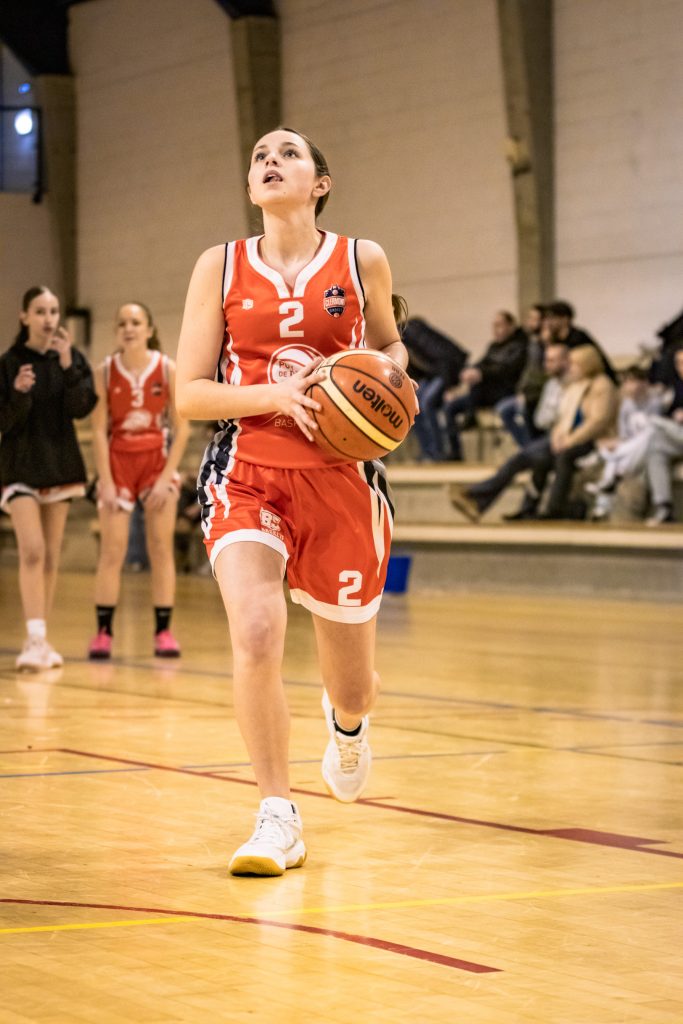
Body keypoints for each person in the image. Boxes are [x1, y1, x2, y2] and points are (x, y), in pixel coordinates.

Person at [175, 126, 409, 877]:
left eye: (288, 154)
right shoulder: (218, 266)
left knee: (354, 685)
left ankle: (347, 723)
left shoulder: (361, 258)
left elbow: (392, 347)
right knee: (255, 629)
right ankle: (277, 813)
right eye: (259, 157)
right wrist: (273, 396)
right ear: (251, 188)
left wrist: (384, 375)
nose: (270, 162)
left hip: (341, 479)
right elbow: (189, 394)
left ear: (320, 183)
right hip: (247, 469)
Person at [0, 286, 97, 670]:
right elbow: (4, 422)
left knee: (51, 556)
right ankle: (35, 639)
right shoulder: (9, 363)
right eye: (40, 311)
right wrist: (19, 394)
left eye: (53, 311)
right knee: (33, 550)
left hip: (60, 464)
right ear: (24, 316)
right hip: (20, 466)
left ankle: (40, 639)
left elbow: (81, 408)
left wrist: (69, 364)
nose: (48, 318)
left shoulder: (70, 359)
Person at [88, 302, 189, 659]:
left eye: (135, 322)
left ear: (149, 329)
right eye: (122, 323)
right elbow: (98, 430)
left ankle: (164, 632)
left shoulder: (167, 368)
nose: (128, 328)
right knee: (112, 551)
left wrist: (165, 479)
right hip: (118, 463)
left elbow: (183, 428)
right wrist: (106, 481)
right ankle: (103, 633)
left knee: (160, 549)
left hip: (156, 463)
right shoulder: (104, 371)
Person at [451, 345, 617, 521]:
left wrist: (569, 440)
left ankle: (552, 509)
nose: (570, 368)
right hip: (565, 439)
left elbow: (598, 421)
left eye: (574, 364)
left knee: (544, 458)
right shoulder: (575, 386)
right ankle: (485, 501)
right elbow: (563, 418)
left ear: (587, 364)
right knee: (523, 458)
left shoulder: (602, 385)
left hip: (590, 441)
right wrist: (557, 437)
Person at [442, 311, 528, 460]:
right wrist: (469, 372)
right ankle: (455, 452)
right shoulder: (494, 346)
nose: (496, 330)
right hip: (482, 395)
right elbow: (480, 364)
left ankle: (471, 415)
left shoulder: (519, 346)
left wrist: (480, 374)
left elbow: (506, 370)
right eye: (494, 326)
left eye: (500, 325)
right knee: (450, 406)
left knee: (478, 384)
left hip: (504, 391)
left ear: (511, 326)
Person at [586, 366, 664, 521]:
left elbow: (656, 433)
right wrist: (614, 443)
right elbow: (624, 436)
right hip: (630, 452)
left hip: (651, 449)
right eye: (626, 382)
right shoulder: (626, 405)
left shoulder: (656, 403)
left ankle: (604, 463)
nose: (629, 386)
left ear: (644, 383)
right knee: (614, 456)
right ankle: (602, 506)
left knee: (649, 433)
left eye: (633, 381)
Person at [401, 317, 468, 461]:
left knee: (426, 403)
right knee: (413, 404)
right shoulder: (405, 336)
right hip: (435, 374)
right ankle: (429, 451)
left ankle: (437, 451)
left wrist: (449, 387)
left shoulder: (412, 331)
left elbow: (443, 357)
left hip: (447, 370)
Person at [496, 304, 548, 448]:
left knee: (525, 409)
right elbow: (528, 372)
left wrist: (526, 394)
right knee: (504, 409)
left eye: (533, 318)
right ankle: (527, 448)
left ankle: (534, 450)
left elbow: (543, 375)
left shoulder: (546, 344)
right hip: (527, 392)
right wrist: (521, 391)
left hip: (540, 393)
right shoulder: (531, 342)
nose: (529, 322)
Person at [644, 345, 683, 525]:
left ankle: (619, 465)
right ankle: (664, 506)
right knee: (655, 446)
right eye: (678, 363)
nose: (681, 367)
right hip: (677, 437)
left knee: (652, 424)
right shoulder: (676, 386)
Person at [545, 300, 617, 383]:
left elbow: (584, 367)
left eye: (552, 318)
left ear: (565, 319)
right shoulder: (556, 340)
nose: (548, 323)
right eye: (547, 319)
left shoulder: (578, 338)